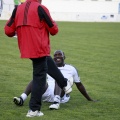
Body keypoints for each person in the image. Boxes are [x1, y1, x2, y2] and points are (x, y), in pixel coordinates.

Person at [4, 0, 72, 117]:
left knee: (46, 63)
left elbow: (8, 31)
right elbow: (54, 30)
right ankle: (34, 109)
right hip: (39, 48)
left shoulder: (17, 9)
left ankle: (64, 83)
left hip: (26, 48)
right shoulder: (41, 8)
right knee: (39, 77)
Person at [14, 50, 97, 110]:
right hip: (47, 94)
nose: (57, 56)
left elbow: (79, 85)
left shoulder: (71, 68)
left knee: (59, 78)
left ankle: (56, 103)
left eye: (59, 54)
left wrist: (89, 99)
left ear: (64, 57)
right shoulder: (48, 67)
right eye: (55, 55)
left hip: (61, 94)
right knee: (36, 80)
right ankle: (22, 98)